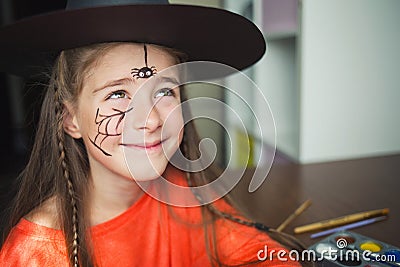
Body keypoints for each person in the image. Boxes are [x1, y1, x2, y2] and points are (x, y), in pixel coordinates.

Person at [0, 0, 305, 266]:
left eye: (164, 91)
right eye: (117, 94)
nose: (150, 119)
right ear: (70, 119)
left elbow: (259, 251)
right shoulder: (36, 255)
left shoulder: (184, 190)